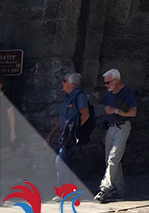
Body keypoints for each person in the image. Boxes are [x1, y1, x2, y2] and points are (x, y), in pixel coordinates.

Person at [94, 68, 136, 204]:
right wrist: (106, 132)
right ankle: (119, 188)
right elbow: (109, 115)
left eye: (107, 83)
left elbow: (132, 112)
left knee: (114, 157)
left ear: (116, 81)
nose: (106, 86)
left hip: (122, 126)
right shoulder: (109, 93)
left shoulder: (127, 92)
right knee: (109, 159)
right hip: (111, 128)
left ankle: (104, 188)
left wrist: (116, 110)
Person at [44, 73, 89, 191]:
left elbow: (85, 114)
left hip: (70, 136)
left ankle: (63, 190)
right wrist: (51, 134)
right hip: (63, 136)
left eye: (64, 81)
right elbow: (62, 118)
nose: (62, 83)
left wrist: (76, 129)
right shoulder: (67, 97)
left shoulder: (79, 96)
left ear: (72, 83)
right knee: (66, 163)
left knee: (60, 162)